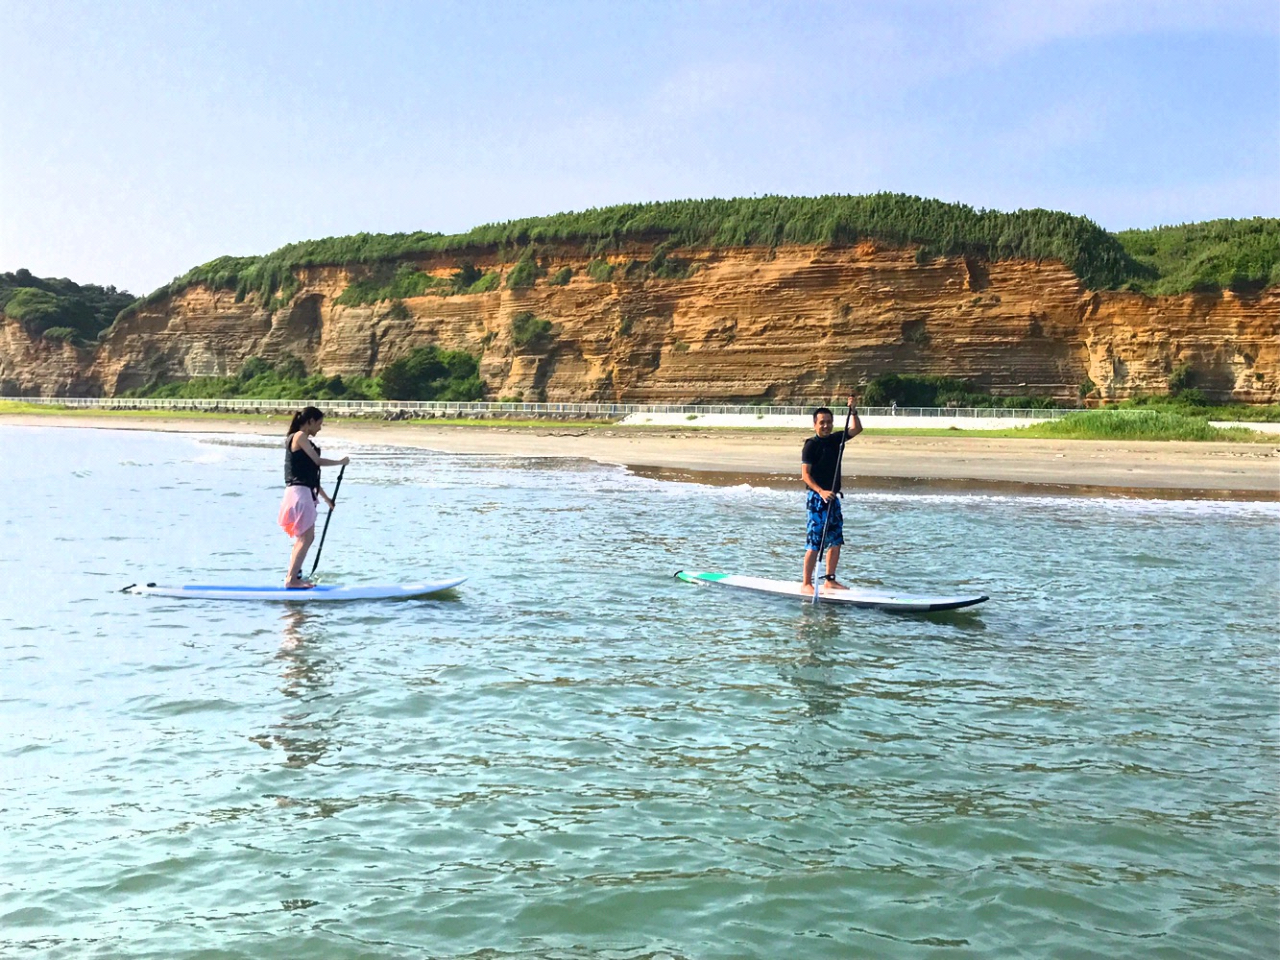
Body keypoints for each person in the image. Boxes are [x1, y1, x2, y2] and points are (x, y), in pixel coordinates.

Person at [278, 406, 349, 589]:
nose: (320, 428)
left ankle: (293, 576)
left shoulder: (302, 439)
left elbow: (310, 475)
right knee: (306, 537)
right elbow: (317, 463)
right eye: (319, 424)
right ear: (310, 421)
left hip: (302, 492)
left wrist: (326, 499)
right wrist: (340, 462)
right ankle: (292, 579)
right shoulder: (300, 436)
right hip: (299, 493)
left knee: (304, 537)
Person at [801, 396, 862, 594]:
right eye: (822, 423)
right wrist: (821, 491)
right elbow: (805, 475)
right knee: (815, 542)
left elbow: (856, 429)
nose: (826, 426)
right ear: (815, 424)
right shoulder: (811, 445)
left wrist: (853, 411)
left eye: (828, 422)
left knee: (836, 540)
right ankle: (806, 583)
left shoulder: (836, 439)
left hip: (834, 499)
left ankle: (829, 580)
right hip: (817, 499)